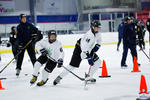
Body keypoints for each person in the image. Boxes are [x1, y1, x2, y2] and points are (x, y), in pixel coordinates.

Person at [53, 20, 102, 85]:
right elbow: (83, 49)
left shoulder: (98, 33)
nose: (98, 29)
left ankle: (89, 76)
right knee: (72, 66)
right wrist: (89, 57)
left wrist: (98, 45)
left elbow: (99, 39)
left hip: (88, 49)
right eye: (96, 27)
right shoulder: (89, 35)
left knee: (98, 62)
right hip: (79, 48)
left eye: (99, 27)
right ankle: (59, 78)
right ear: (92, 27)